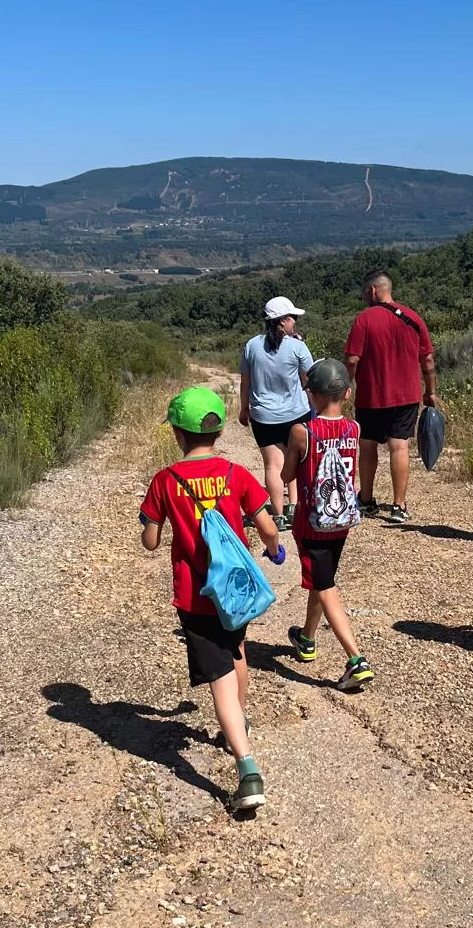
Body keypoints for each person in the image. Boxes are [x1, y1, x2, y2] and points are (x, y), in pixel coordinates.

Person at [140, 386, 286, 812]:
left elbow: (150, 541)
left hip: (196, 594)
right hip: (236, 591)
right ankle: (237, 725)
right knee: (236, 650)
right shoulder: (235, 473)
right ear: (219, 432)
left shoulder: (165, 481)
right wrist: (274, 550)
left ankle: (247, 769)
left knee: (219, 675)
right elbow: (268, 526)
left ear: (177, 434)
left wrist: (153, 522)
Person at [280, 359, 375, 691]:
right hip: (342, 521)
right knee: (323, 579)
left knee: (325, 585)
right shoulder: (355, 428)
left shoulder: (302, 432)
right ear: (346, 394)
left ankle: (355, 660)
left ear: (312, 395)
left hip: (312, 523)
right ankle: (306, 639)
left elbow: (287, 476)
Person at [343, 271, 438, 524]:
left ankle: (366, 500)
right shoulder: (413, 317)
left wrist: (347, 383)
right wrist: (431, 391)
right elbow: (427, 359)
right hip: (406, 394)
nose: (364, 297)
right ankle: (399, 505)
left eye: (365, 293)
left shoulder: (363, 319)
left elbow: (352, 359)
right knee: (400, 445)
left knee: (367, 445)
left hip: (371, 394)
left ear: (373, 291)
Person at [239, 296, 314, 531]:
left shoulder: (252, 346)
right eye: (292, 317)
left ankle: (279, 514)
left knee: (272, 464)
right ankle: (294, 506)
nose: (295, 321)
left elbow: (245, 381)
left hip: (264, 416)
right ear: (282, 321)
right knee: (297, 460)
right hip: (296, 413)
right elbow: (309, 380)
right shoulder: (297, 346)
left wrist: (244, 408)